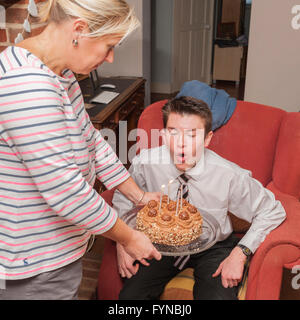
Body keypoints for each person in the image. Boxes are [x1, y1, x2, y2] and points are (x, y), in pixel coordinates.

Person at [0, 0, 161, 300]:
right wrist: (129, 237)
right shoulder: (27, 86)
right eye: (109, 46)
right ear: (79, 30)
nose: (111, 58)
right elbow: (67, 191)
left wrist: (139, 197)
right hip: (34, 262)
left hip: (58, 252)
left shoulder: (61, 74)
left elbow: (93, 142)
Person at [113, 96, 286, 300]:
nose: (181, 145)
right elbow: (123, 198)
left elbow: (273, 210)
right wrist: (121, 241)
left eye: (192, 135)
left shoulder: (228, 174)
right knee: (130, 298)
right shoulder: (145, 162)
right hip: (163, 243)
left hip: (214, 246)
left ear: (207, 139)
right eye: (173, 133)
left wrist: (240, 253)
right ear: (163, 135)